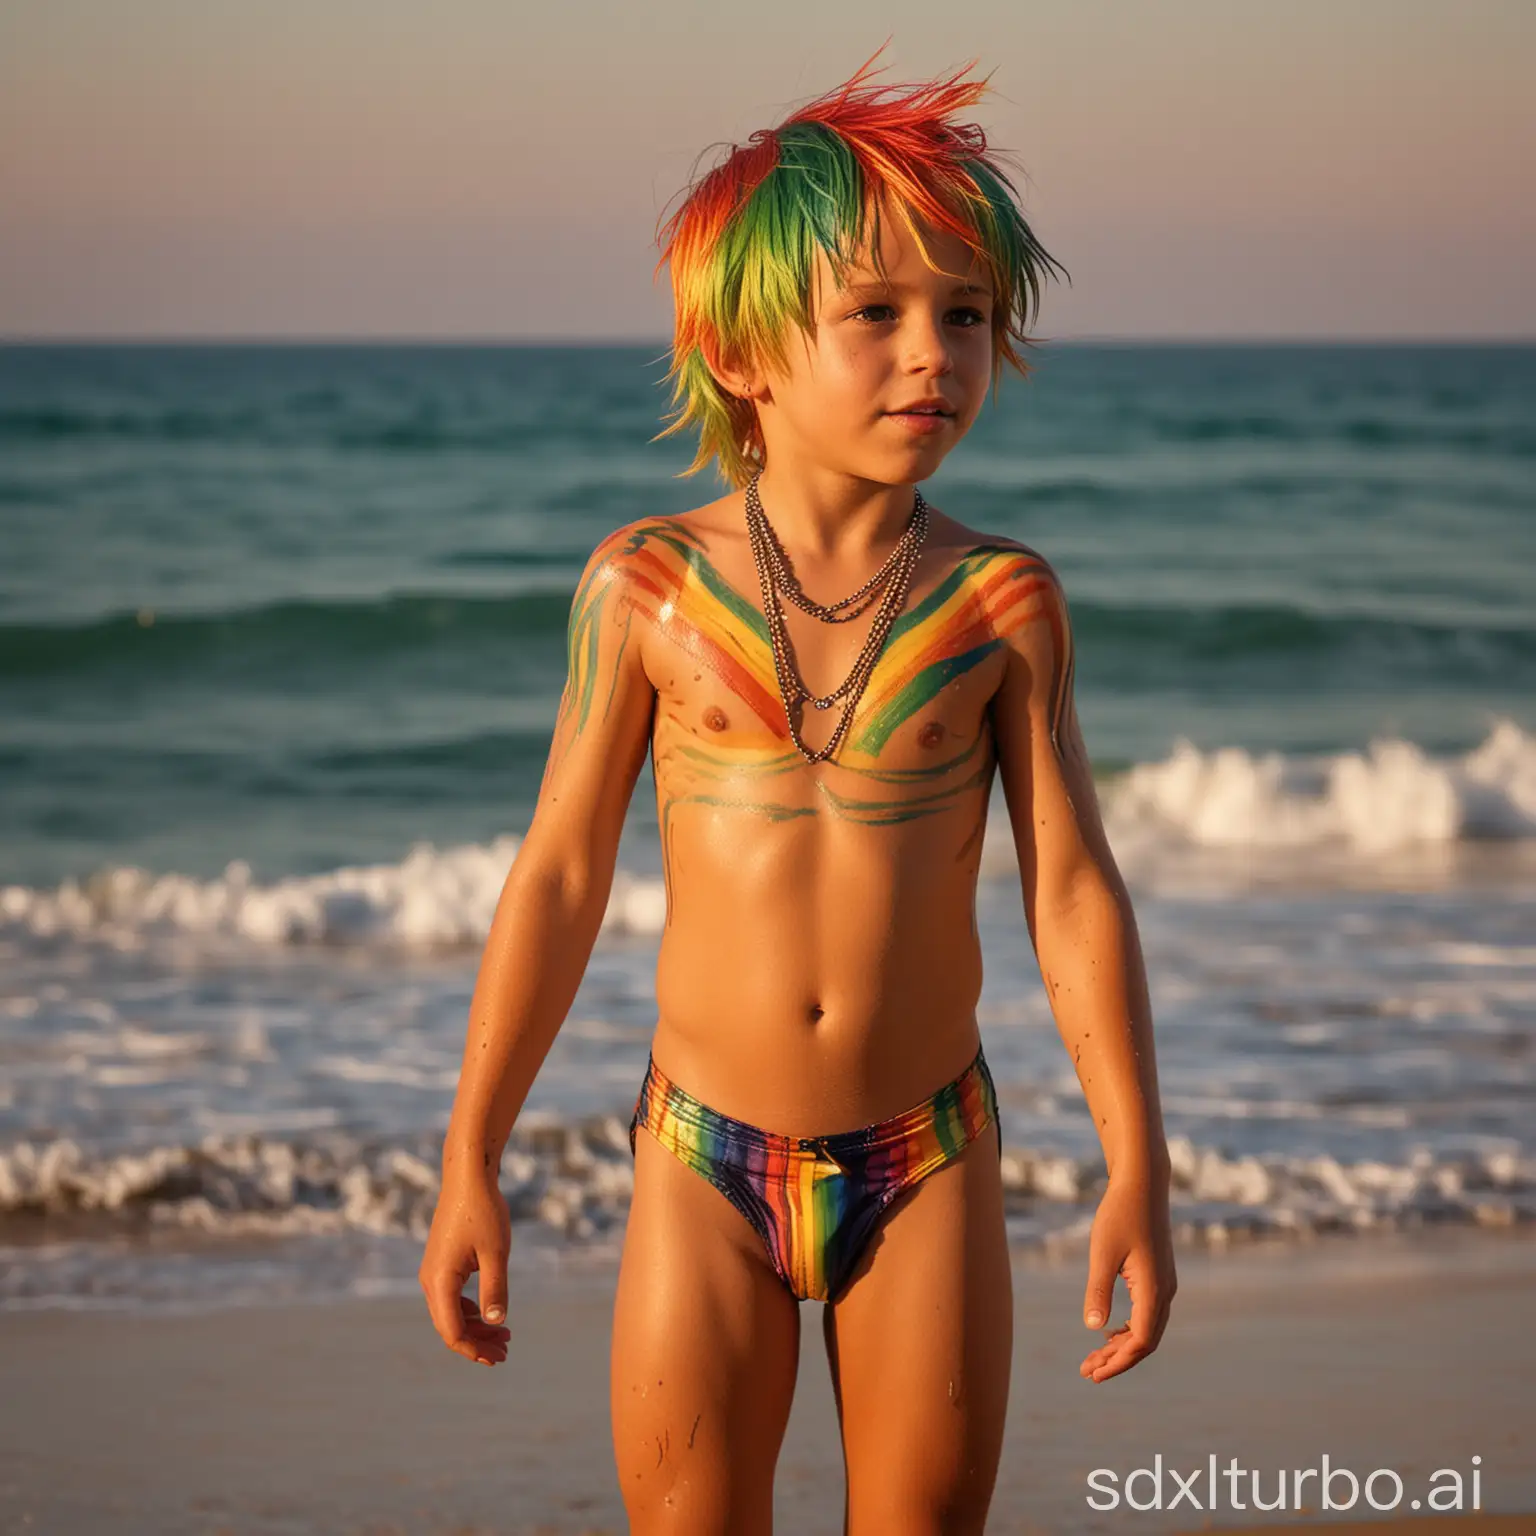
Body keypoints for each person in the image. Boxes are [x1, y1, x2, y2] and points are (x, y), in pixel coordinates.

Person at [420, 49, 1176, 1535]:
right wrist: (469, 1159)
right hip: (704, 1156)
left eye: (966, 316)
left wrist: (1138, 1161)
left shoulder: (1001, 603)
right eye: (878, 314)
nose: (933, 356)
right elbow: (561, 877)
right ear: (744, 353)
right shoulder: (647, 590)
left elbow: (1072, 886)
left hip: (931, 1155)